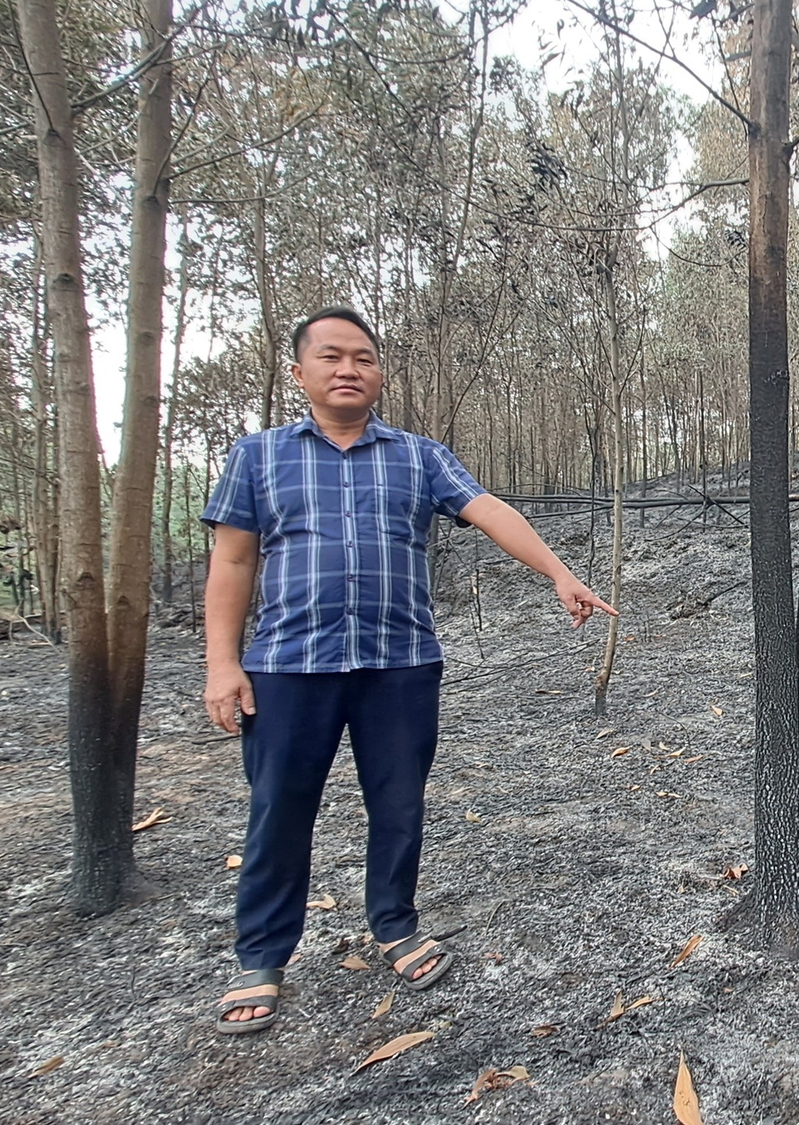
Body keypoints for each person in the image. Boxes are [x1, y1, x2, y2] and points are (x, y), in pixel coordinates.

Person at [201, 307, 615, 1034]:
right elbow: (233, 560)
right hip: (289, 665)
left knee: (398, 805)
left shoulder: (418, 455)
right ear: (299, 373)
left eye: (362, 357)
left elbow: (488, 509)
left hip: (400, 664)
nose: (348, 369)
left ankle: (394, 924)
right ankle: (261, 955)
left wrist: (559, 572)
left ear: (380, 373)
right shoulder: (258, 455)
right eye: (331, 356)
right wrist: (221, 663)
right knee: (278, 809)